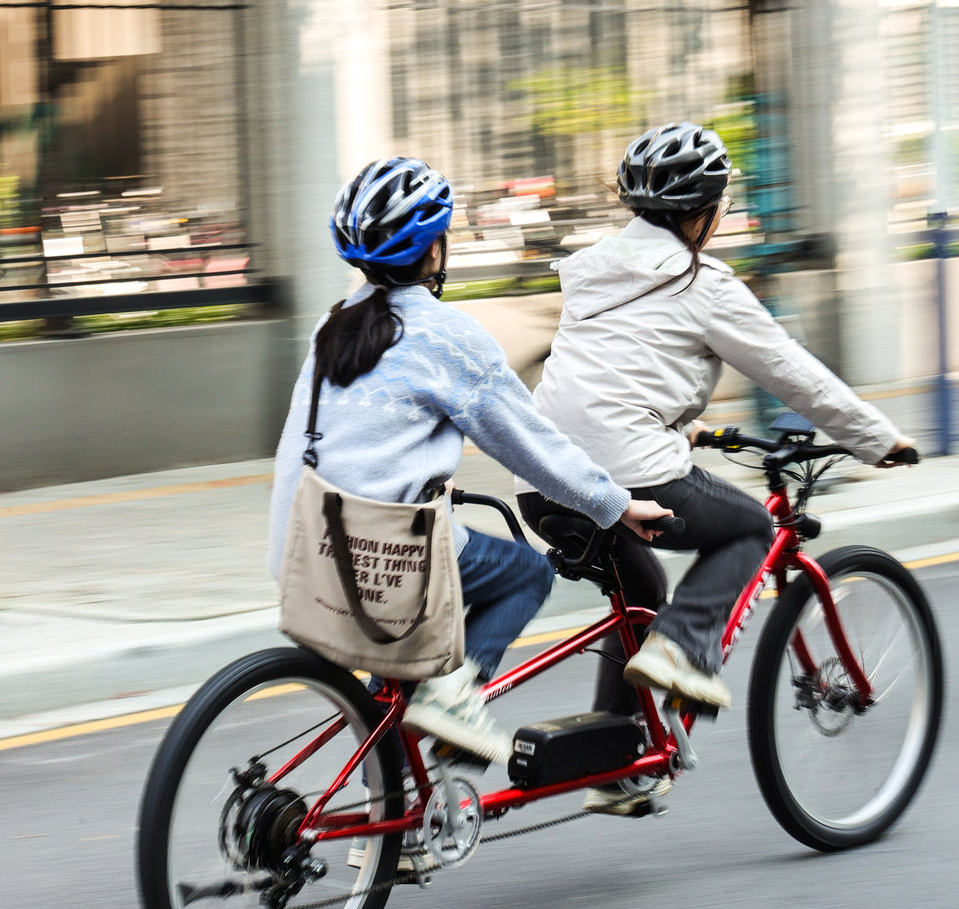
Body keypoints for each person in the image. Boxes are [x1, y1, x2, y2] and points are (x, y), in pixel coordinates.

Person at [517, 122, 916, 815]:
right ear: (703, 212)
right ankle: (681, 654)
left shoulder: (595, 269)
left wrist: (683, 422)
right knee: (748, 533)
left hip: (543, 478)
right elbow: (792, 372)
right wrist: (874, 437)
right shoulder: (702, 282)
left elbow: (612, 373)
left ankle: (618, 760)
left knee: (639, 587)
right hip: (630, 475)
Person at [268, 156, 671, 767]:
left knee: (398, 685)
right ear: (434, 251)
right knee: (525, 574)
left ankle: (388, 841)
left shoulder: (335, 324)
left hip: (303, 555)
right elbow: (532, 446)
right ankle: (455, 696)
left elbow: (331, 443)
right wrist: (615, 504)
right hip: (384, 559)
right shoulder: (446, 336)